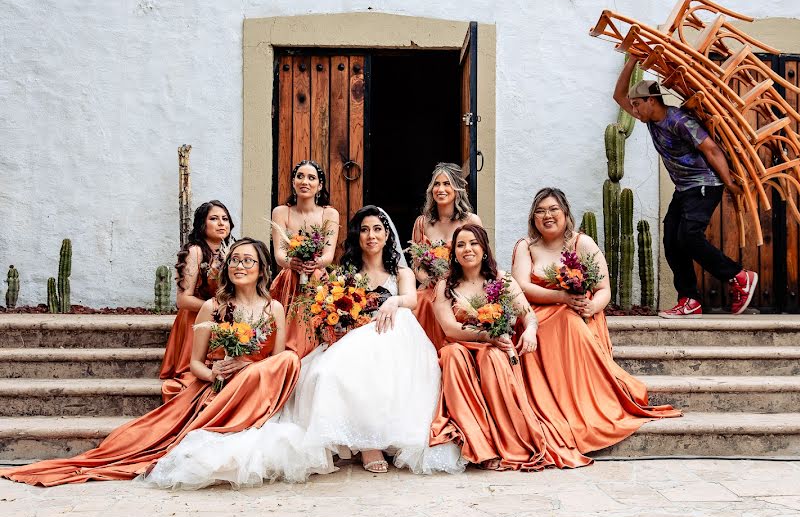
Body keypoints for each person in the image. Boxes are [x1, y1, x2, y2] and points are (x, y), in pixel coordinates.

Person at [143, 206, 464, 489]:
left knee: (385, 363)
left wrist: (393, 301)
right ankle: (368, 443)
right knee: (326, 371)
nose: (371, 235)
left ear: (386, 235)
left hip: (394, 328)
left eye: (377, 229)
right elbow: (338, 306)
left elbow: (410, 298)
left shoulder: (400, 270)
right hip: (358, 331)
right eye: (364, 229)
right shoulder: (347, 272)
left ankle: (390, 439)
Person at [1, 239, 300, 487]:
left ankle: (251, 416)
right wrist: (212, 373)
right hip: (221, 388)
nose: (239, 266)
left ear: (262, 270)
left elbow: (275, 360)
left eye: (248, 261)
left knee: (289, 358)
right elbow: (194, 364)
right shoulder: (212, 308)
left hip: (258, 387)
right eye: (235, 260)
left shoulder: (274, 308)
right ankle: (230, 418)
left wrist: (247, 364)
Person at [511, 188, 681, 454]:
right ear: (533, 218)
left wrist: (590, 307)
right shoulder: (526, 247)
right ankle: (554, 402)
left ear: (566, 213)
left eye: (554, 209)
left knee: (570, 320)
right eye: (540, 211)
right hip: (538, 313)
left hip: (580, 313)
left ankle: (585, 402)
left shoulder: (582, 243)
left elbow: (604, 289)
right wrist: (560, 296)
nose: (547, 215)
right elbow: (521, 286)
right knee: (561, 319)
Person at [430, 223, 591, 471]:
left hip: (495, 348)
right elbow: (449, 329)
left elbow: (528, 315)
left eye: (473, 243)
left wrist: (530, 331)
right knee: (452, 355)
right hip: (461, 344)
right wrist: (485, 336)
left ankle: (505, 443)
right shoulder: (445, 286)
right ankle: (479, 445)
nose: (467, 249)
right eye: (460, 245)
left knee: (493, 357)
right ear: (454, 254)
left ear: (484, 250)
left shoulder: (501, 280)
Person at [613, 56, 758, 317]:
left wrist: (730, 184)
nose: (633, 110)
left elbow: (711, 149)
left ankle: (739, 276)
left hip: (704, 184)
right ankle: (690, 300)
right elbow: (618, 95)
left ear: (652, 101)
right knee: (672, 239)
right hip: (684, 189)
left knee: (690, 236)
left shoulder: (679, 120)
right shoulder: (650, 120)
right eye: (632, 105)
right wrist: (632, 60)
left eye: (637, 104)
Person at [158, 201, 234, 402]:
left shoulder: (230, 251)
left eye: (225, 219)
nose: (221, 224)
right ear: (202, 224)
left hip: (223, 318)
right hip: (196, 319)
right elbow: (183, 300)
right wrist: (217, 308)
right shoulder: (195, 251)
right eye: (214, 219)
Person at [270, 160, 340, 355]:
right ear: (293, 182)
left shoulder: (330, 214)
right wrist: (292, 262)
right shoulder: (281, 212)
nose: (305, 181)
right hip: (289, 279)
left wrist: (313, 263)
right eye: (300, 176)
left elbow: (328, 254)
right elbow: (279, 254)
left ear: (320, 185)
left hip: (317, 278)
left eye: (311, 178)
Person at [411, 162, 482, 350]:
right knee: (423, 301)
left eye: (447, 184)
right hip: (430, 288)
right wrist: (429, 280)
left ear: (458, 188)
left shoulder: (471, 221)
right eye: (436, 184)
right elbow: (416, 265)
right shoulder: (422, 223)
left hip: (460, 287)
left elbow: (480, 258)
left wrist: (451, 283)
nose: (440, 189)